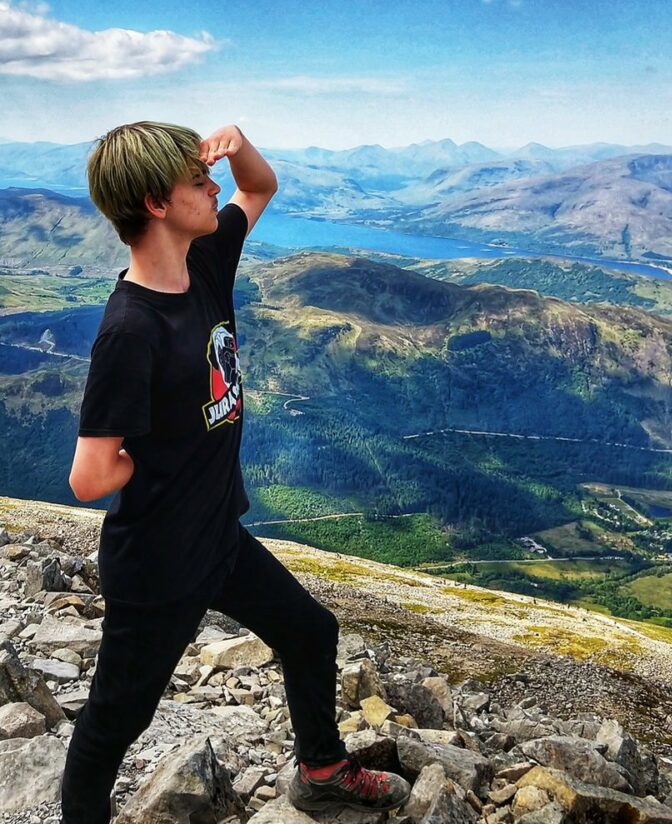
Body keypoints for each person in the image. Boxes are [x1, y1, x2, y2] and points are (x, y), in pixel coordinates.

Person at [63, 121, 410, 822]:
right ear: (157, 204)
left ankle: (320, 771)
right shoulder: (132, 327)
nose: (213, 186)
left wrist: (236, 142)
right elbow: (90, 476)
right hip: (159, 566)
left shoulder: (207, 260)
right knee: (112, 726)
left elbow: (259, 184)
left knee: (311, 631)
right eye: (197, 181)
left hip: (218, 537)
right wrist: (155, 455)